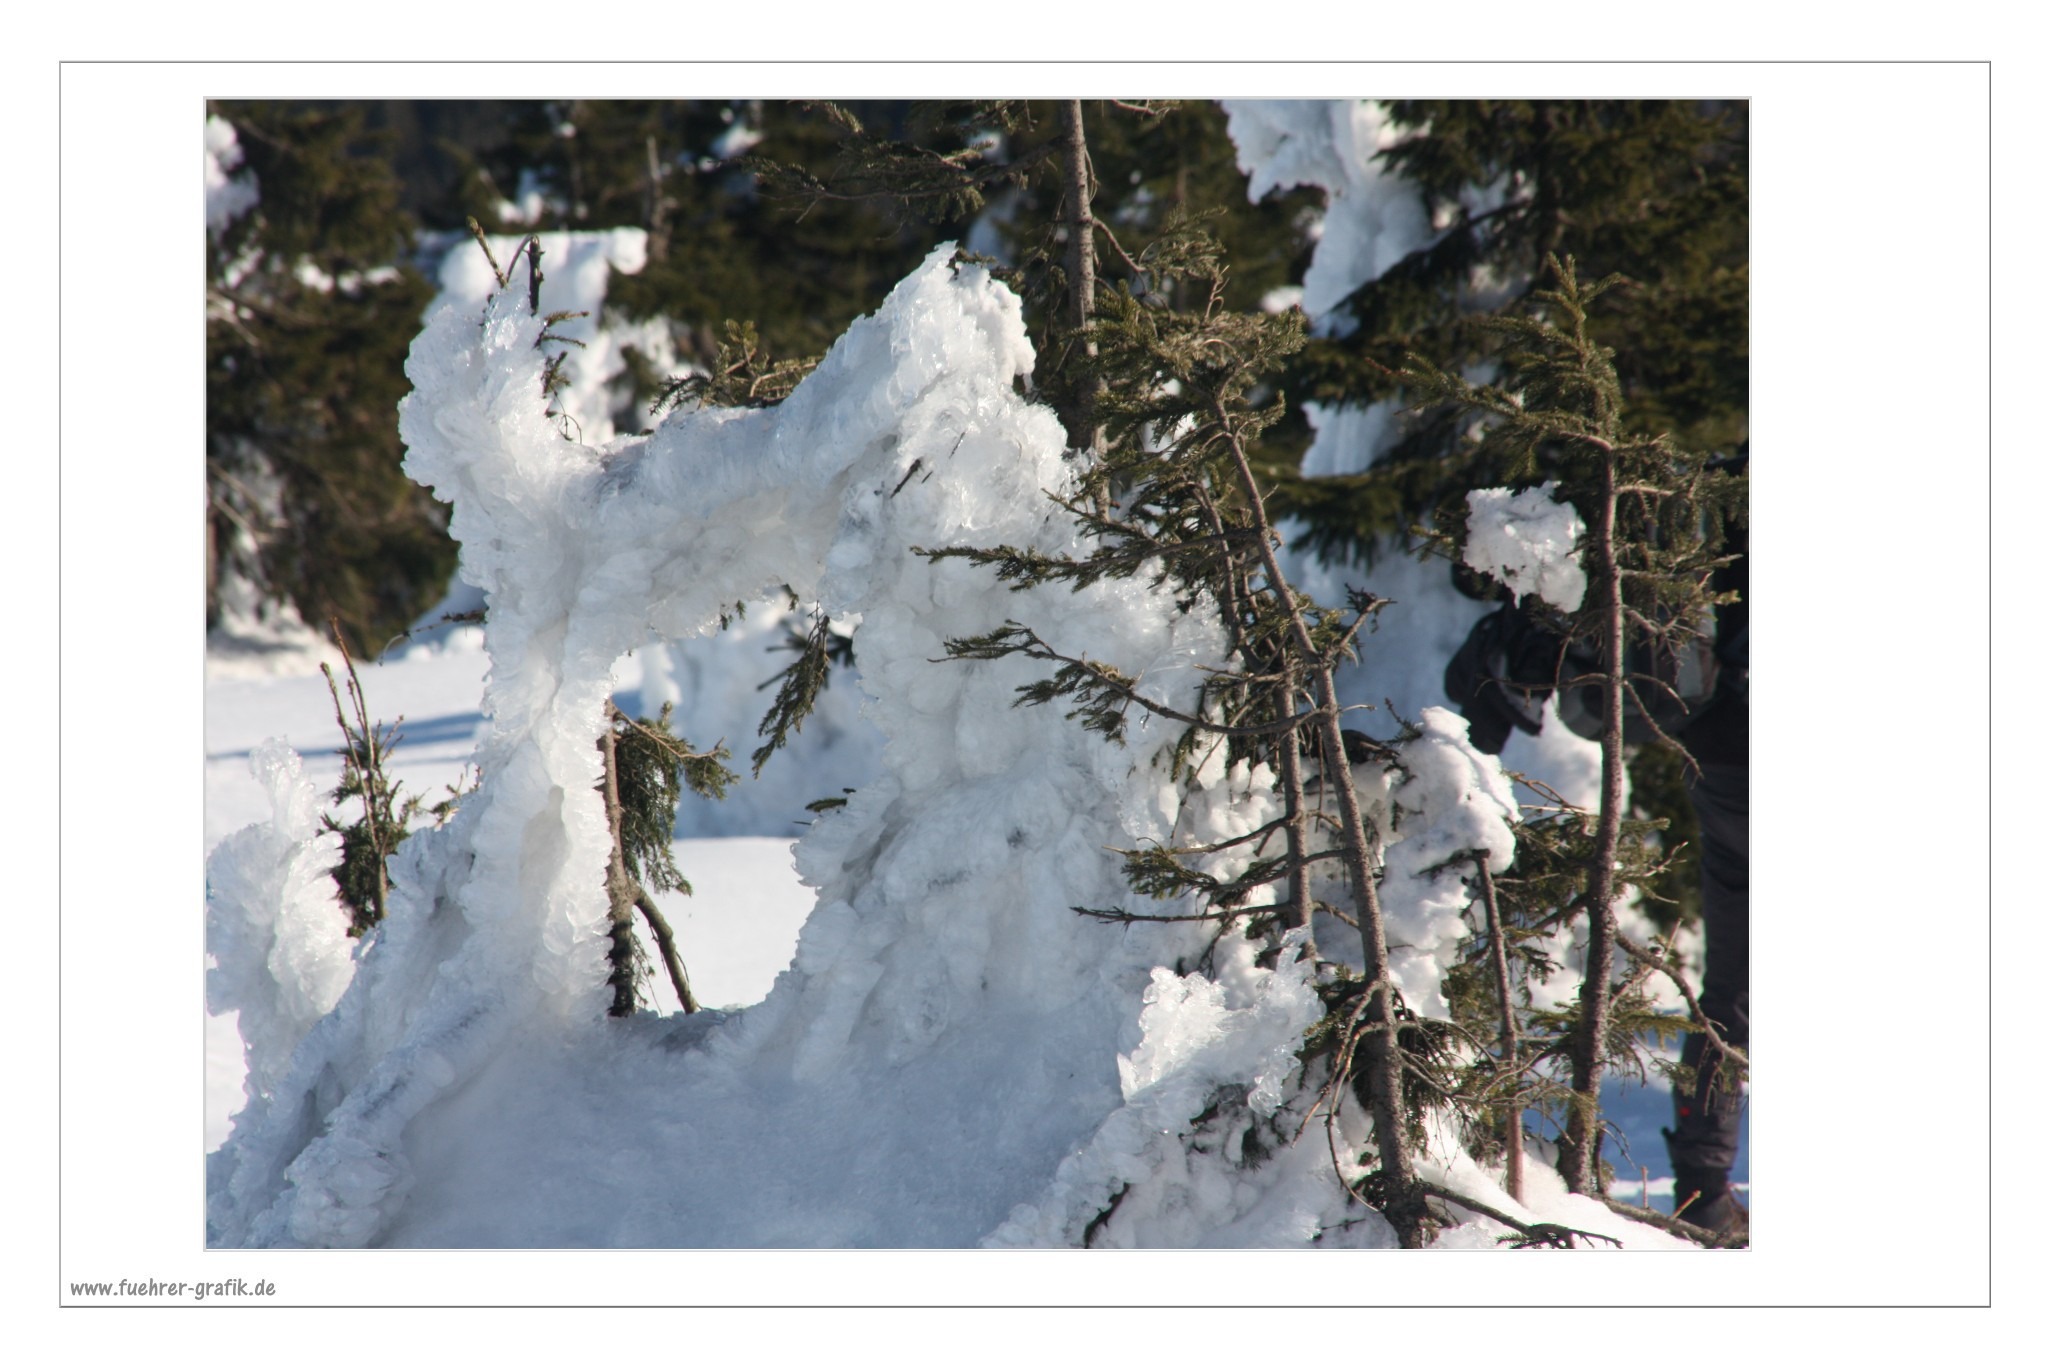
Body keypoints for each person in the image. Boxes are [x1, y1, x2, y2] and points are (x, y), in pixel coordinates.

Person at [1444, 462, 1748, 1235]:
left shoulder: (1719, 503)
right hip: (1740, 765)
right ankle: (1706, 1190)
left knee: (1735, 996)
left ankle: (1703, 1189)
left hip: (1724, 770)